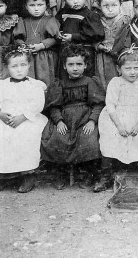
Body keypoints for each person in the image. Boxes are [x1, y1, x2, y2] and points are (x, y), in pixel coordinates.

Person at [0, 45, 48, 193]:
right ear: (7, 67)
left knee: (25, 137)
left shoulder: (34, 85)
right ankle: (1, 175)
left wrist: (23, 117)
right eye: (14, 66)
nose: (19, 70)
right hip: (6, 120)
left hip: (28, 119)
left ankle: (27, 175)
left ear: (29, 65)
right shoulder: (0, 85)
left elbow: (38, 104)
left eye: (23, 65)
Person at [42, 45, 105, 191]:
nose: (75, 68)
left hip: (85, 119)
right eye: (71, 64)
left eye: (79, 64)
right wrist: (58, 121)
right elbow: (54, 106)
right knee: (58, 139)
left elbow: (98, 104)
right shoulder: (59, 83)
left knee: (88, 140)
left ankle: (88, 174)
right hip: (64, 119)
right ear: (64, 66)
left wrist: (92, 121)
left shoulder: (90, 82)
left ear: (85, 65)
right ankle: (61, 174)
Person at [96, 46, 138, 192]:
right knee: (109, 137)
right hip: (116, 117)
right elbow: (110, 105)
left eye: (136, 67)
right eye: (128, 68)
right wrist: (119, 126)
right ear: (119, 68)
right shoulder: (116, 82)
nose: (133, 72)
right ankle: (106, 177)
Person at [55, 0, 104, 78]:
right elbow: (55, 26)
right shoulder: (62, 14)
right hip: (66, 52)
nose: (75, 1)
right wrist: (58, 33)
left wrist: (73, 37)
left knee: (84, 77)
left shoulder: (89, 15)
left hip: (84, 53)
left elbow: (96, 35)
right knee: (65, 77)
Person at [13, 0, 60, 87]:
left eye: (40, 5)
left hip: (45, 57)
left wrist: (42, 45)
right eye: (32, 5)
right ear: (26, 6)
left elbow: (55, 38)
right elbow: (18, 38)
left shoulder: (50, 20)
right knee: (29, 81)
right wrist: (22, 45)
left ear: (46, 6)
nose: (36, 8)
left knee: (46, 81)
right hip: (29, 56)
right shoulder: (23, 21)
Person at [94, 0, 130, 88]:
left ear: (120, 4)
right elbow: (91, 37)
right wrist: (98, 45)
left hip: (120, 56)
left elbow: (129, 38)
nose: (110, 9)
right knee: (103, 80)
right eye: (106, 6)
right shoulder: (97, 21)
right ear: (100, 6)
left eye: (114, 5)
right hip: (103, 57)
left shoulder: (125, 20)